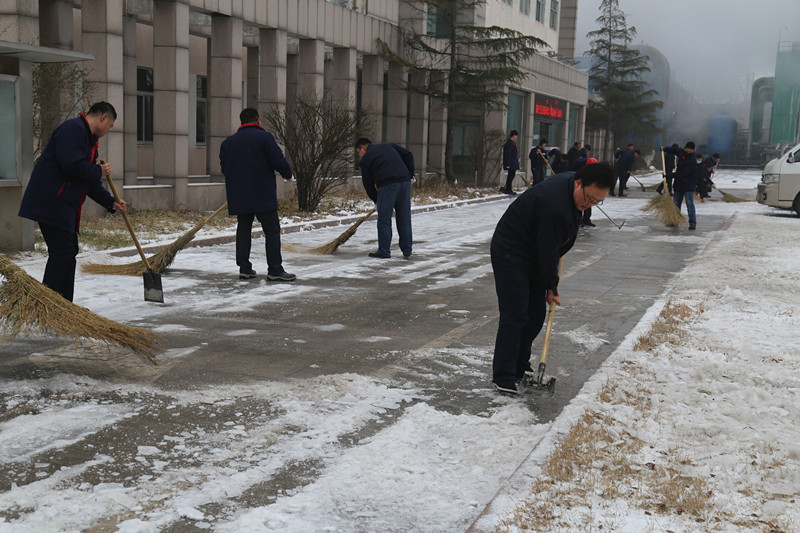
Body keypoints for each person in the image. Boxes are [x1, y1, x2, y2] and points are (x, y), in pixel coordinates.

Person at [490, 162, 616, 393]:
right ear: (579, 183)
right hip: (512, 251)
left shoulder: (573, 185)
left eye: (597, 202)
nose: (589, 205)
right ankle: (504, 375)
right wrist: (551, 286)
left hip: (534, 253)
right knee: (516, 314)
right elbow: (547, 252)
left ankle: (519, 365)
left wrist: (548, 284)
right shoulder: (555, 207)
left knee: (536, 314)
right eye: (589, 198)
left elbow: (549, 250)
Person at [18, 102, 126, 302]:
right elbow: (72, 165)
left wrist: (111, 203)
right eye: (109, 126)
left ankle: (64, 305)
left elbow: (89, 181)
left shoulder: (90, 140)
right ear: (103, 118)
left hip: (64, 205)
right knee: (63, 251)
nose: (107, 131)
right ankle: (49, 306)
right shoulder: (73, 129)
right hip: (51, 202)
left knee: (68, 251)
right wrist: (98, 170)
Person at [219, 107, 296, 281]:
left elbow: (225, 168)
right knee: (271, 230)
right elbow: (277, 159)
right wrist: (288, 175)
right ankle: (275, 270)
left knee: (243, 230)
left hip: (240, 195)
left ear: (241, 122)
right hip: (262, 193)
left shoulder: (228, 143)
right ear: (258, 120)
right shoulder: (264, 138)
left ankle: (244, 268)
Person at [355, 137, 414, 259]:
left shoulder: (366, 159)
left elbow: (368, 184)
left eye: (359, 152)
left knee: (384, 220)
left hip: (388, 187)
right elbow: (408, 154)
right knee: (404, 218)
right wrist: (410, 174)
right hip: (405, 183)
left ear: (363, 147)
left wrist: (376, 200)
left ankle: (384, 251)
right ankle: (407, 249)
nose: (360, 156)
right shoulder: (389, 145)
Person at [663, 141, 698, 230]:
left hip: (689, 185)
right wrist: (665, 149)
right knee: (676, 204)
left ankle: (692, 223)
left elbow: (682, 173)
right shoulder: (682, 152)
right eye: (687, 149)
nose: (688, 151)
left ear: (692, 150)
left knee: (689, 204)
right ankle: (675, 221)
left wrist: (669, 175)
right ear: (685, 148)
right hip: (679, 184)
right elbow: (675, 150)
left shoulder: (692, 160)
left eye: (690, 150)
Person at [568, 157, 599, 227]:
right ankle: (578, 220)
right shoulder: (578, 164)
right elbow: (572, 174)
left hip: (586, 184)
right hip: (576, 182)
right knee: (579, 202)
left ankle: (586, 220)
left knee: (588, 202)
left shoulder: (595, 168)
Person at [501, 130, 520, 195]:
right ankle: (508, 189)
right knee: (510, 176)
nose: (516, 137)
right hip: (511, 163)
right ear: (513, 135)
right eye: (516, 136)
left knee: (512, 176)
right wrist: (508, 164)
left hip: (513, 163)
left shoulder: (512, 143)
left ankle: (509, 188)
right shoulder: (509, 144)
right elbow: (508, 155)